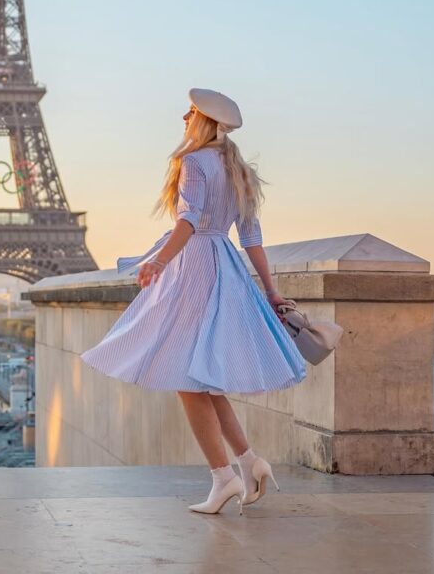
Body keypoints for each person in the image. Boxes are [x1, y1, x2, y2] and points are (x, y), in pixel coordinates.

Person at [80, 87, 307, 515]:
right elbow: (252, 238)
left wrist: (160, 262)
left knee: (186, 378)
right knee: (200, 377)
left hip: (196, 266)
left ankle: (223, 476)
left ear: (203, 122)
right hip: (227, 268)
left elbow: (187, 220)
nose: (184, 118)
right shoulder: (238, 169)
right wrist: (271, 290)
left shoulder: (193, 162)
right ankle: (248, 461)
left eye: (190, 113)